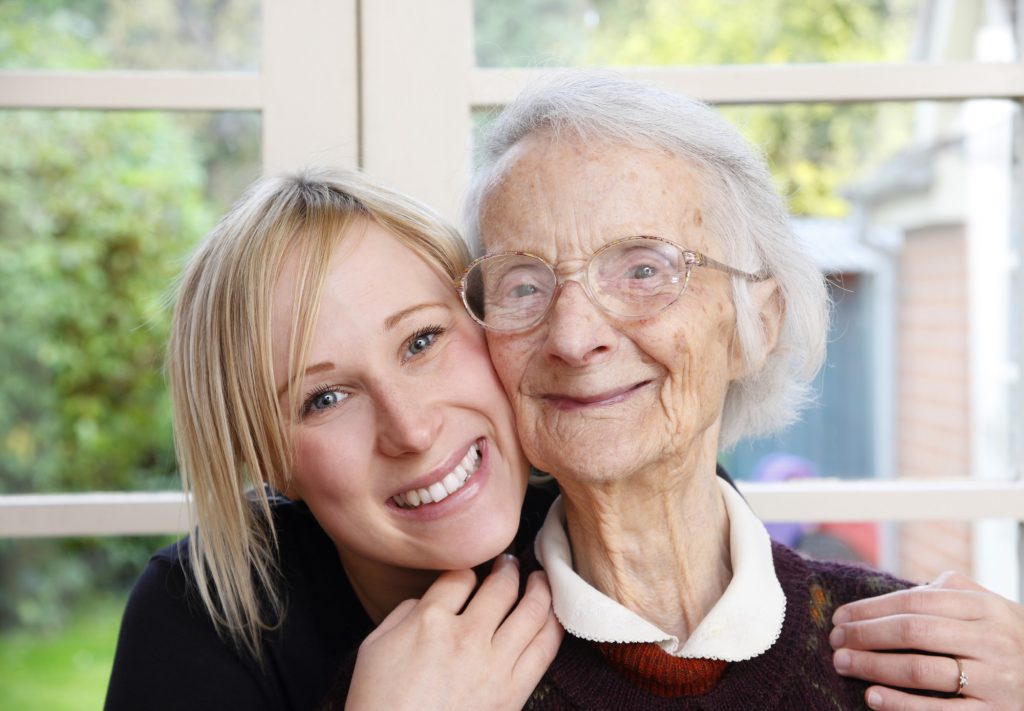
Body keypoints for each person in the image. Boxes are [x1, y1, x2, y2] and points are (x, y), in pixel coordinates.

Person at [456, 69, 1024, 709]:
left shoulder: (920, 664)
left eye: (644, 269)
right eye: (524, 286)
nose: (573, 336)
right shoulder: (434, 681)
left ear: (757, 320)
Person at [104, 169, 563, 710]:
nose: (411, 431)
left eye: (421, 341)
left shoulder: (616, 525)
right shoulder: (195, 615)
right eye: (324, 398)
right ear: (267, 461)